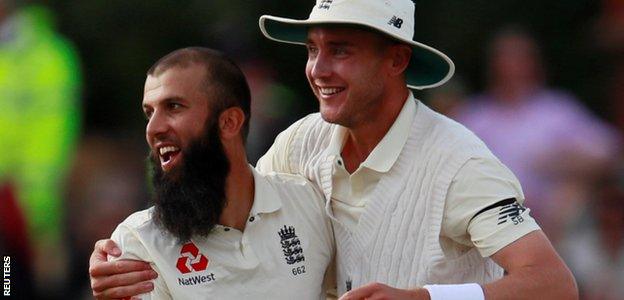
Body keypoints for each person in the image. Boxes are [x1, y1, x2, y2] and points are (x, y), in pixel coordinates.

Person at [89, 1, 578, 299]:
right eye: (312, 49)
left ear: (397, 59)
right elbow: (237, 217)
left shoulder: (460, 163)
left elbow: (553, 285)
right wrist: (119, 252)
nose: (318, 69)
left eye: (340, 50)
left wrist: (425, 298)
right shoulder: (302, 140)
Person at [90, 47, 334, 299]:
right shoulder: (138, 243)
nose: (154, 128)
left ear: (229, 122)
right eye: (149, 113)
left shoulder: (308, 204)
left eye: (173, 106)